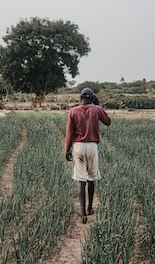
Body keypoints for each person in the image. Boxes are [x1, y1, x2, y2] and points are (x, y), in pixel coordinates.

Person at [65, 87, 111, 224]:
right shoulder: (96, 109)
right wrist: (99, 105)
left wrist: (67, 149)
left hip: (78, 147)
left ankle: (83, 213)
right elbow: (108, 121)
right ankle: (90, 208)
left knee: (81, 181)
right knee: (92, 178)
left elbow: (69, 133)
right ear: (92, 98)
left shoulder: (73, 111)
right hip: (92, 146)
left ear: (81, 98)